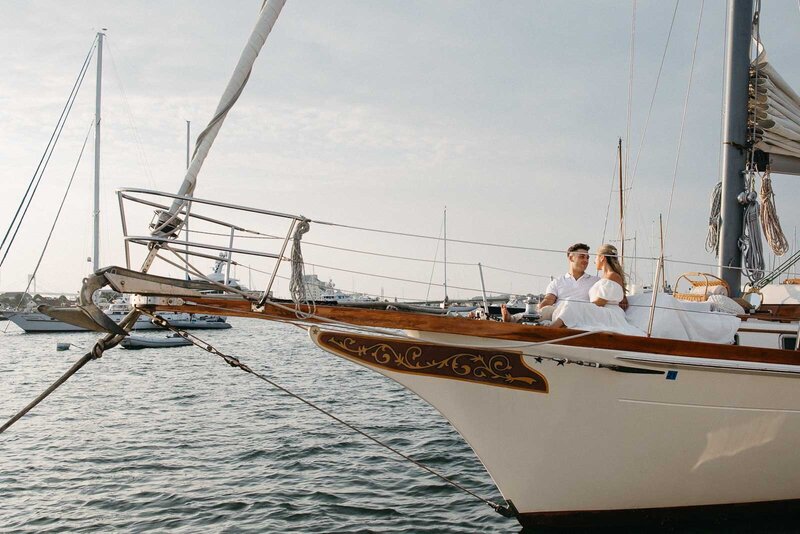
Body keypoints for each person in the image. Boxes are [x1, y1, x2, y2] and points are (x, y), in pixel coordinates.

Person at [550, 243, 643, 336]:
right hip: (601, 311)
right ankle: (556, 330)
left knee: (573, 304)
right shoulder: (605, 278)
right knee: (572, 303)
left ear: (602, 258)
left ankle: (549, 331)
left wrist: (581, 307)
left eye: (595, 257)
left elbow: (600, 302)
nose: (594, 261)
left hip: (609, 314)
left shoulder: (612, 276)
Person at [501, 242, 598, 322]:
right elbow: (548, 300)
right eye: (582, 257)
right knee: (547, 310)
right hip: (559, 313)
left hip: (581, 314)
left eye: (587, 258)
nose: (586, 260)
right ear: (571, 258)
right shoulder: (558, 282)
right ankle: (512, 319)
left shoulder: (595, 281)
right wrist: (539, 310)